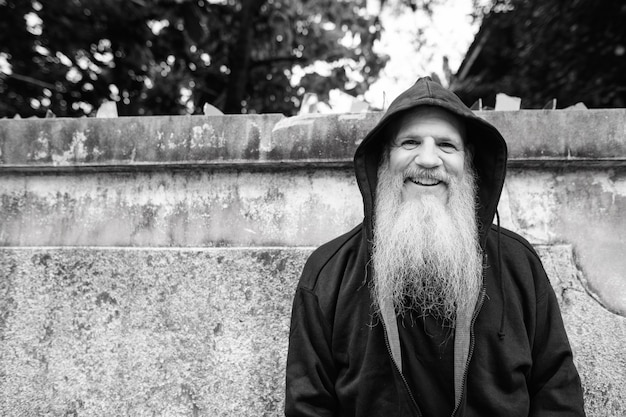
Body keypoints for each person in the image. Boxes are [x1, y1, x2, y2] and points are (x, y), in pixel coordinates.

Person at [284, 77, 585, 417]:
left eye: (446, 145)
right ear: (384, 159)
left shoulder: (518, 264)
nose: (428, 160)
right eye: (410, 142)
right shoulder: (328, 273)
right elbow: (308, 407)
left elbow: (557, 396)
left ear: (467, 162)